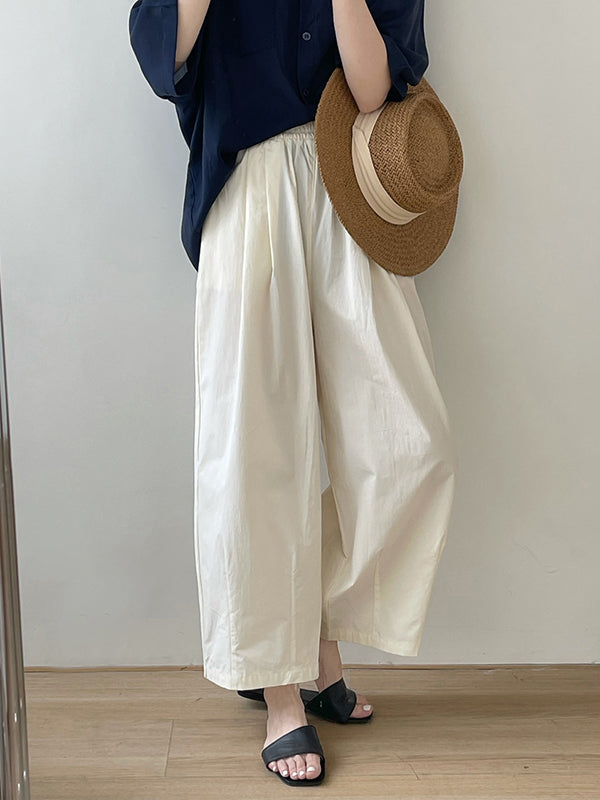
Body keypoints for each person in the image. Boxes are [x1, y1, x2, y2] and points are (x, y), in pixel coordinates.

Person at [129, 0, 456, 785]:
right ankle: (281, 689)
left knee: (410, 442)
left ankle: (313, 640)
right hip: (247, 187)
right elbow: (162, 57)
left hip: (352, 183)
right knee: (256, 448)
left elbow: (374, 91)